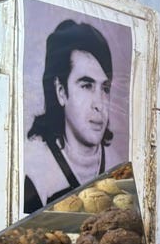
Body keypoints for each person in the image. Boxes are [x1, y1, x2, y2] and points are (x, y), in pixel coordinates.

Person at [22, 20, 118, 213]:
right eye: (87, 85)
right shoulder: (33, 172)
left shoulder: (118, 165)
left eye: (105, 88)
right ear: (61, 91)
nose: (99, 104)